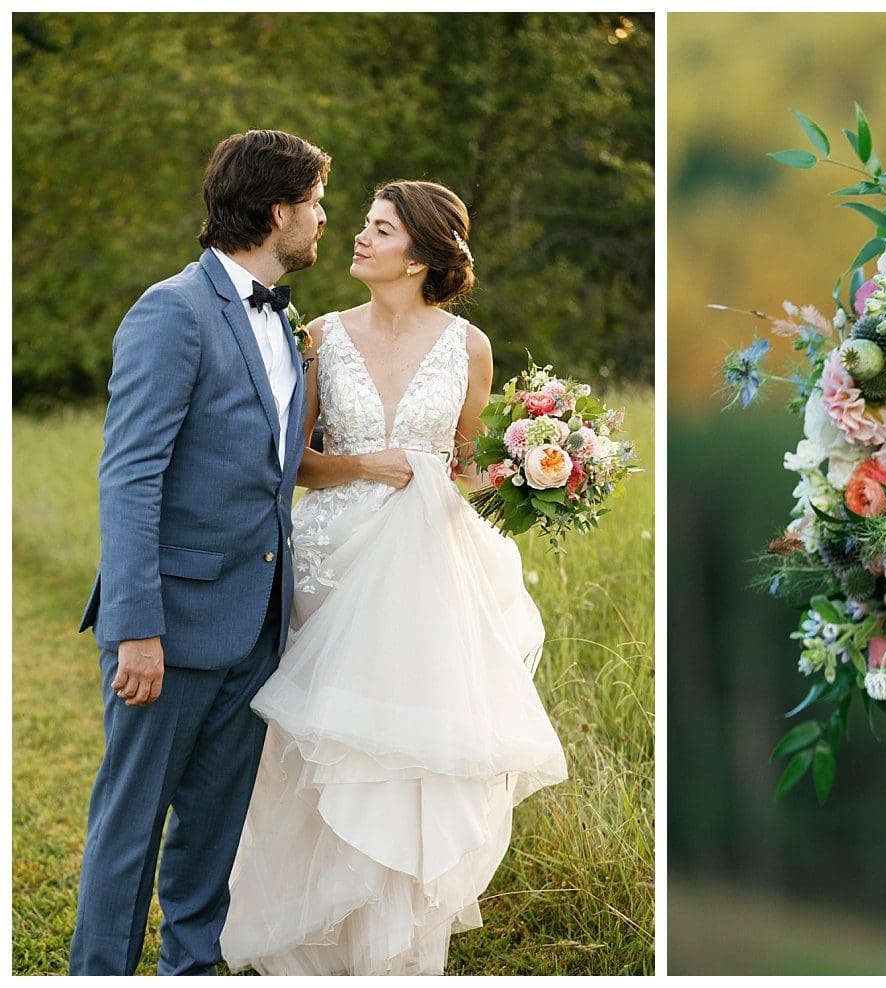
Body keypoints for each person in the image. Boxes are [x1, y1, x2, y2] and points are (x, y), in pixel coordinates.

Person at [218, 180, 567, 974]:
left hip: (427, 572)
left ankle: (394, 948)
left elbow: (473, 465)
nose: (359, 239)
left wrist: (544, 467)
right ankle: (304, 940)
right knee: (320, 755)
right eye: (364, 226)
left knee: (409, 757)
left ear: (420, 254)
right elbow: (295, 464)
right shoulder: (319, 336)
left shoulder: (468, 346)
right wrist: (366, 464)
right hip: (332, 569)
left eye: (379, 230)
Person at [71, 129, 328, 976]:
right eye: (318, 204)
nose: (324, 220)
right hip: (170, 627)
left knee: (213, 826)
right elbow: (130, 479)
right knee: (132, 823)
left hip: (254, 626)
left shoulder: (285, 325)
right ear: (278, 211)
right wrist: (137, 627)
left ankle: (193, 966)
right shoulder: (171, 311)